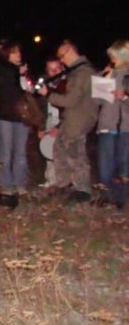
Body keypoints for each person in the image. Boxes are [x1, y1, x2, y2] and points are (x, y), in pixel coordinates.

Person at [38, 40, 98, 203]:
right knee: (59, 150)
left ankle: (83, 190)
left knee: (76, 154)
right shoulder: (78, 71)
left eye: (62, 57)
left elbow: (71, 100)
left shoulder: (83, 72)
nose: (62, 61)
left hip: (78, 119)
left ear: (71, 51)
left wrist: (48, 95)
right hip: (70, 119)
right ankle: (64, 186)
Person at [0, 39, 32, 195]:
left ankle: (20, 183)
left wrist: (24, 76)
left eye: (19, 52)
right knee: (5, 150)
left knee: (20, 150)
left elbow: (27, 91)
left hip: (21, 116)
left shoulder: (22, 69)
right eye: (14, 52)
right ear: (6, 53)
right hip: (3, 115)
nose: (18, 55)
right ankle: (6, 184)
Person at [94, 40, 129, 208]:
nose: (111, 59)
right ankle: (106, 195)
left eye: (114, 56)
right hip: (107, 123)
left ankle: (120, 198)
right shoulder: (109, 73)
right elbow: (97, 99)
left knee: (123, 164)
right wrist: (102, 76)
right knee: (105, 164)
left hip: (125, 126)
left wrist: (124, 96)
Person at [36, 57, 65, 189]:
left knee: (64, 152)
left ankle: (64, 181)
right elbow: (39, 108)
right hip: (49, 119)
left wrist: (59, 127)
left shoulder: (68, 83)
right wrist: (40, 127)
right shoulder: (43, 85)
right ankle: (51, 179)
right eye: (51, 70)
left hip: (65, 122)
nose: (55, 72)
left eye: (57, 68)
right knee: (48, 150)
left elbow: (70, 107)